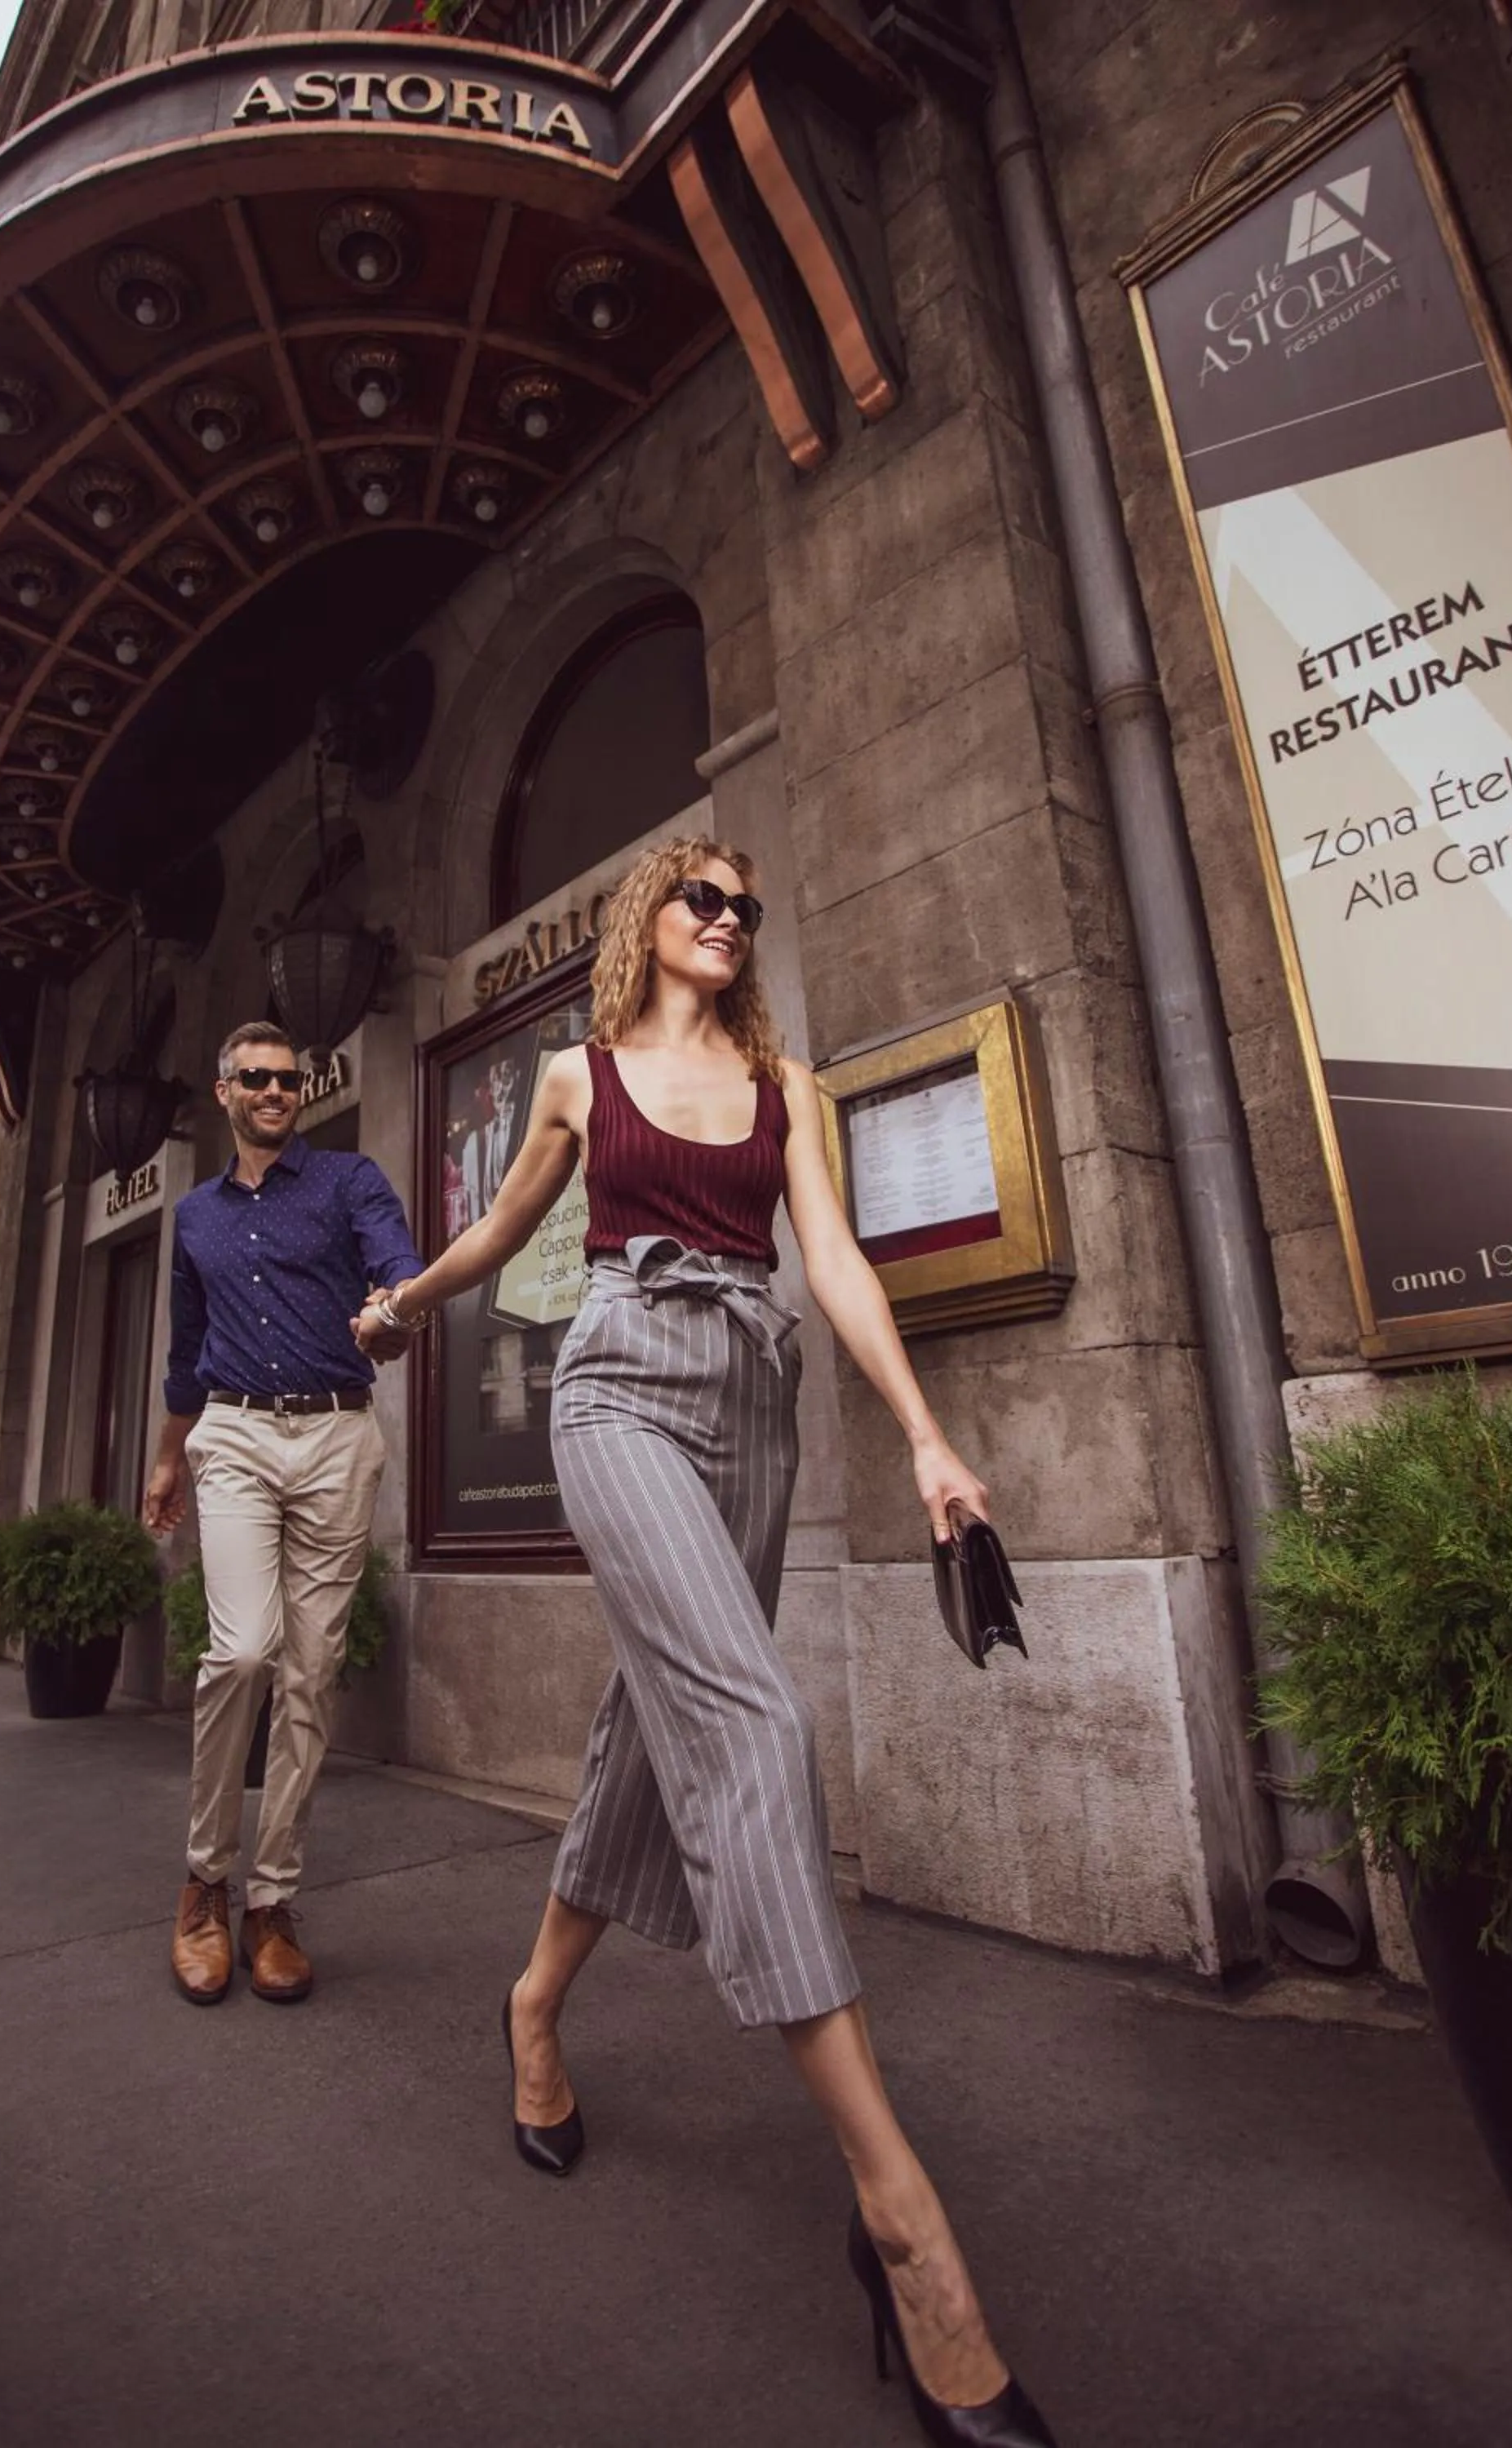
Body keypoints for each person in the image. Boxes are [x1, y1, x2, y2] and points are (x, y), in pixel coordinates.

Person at [353, 838, 1058, 2447]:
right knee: (752, 1727)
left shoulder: (783, 1086)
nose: (729, 918)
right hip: (617, 1391)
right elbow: (500, 1238)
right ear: (645, 923)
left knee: (647, 1735)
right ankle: (903, 2223)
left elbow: (835, 1263)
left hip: (756, 1403)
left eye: (748, 903)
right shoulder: (571, 1076)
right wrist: (402, 1310)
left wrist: (931, 1440)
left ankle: (533, 2005)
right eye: (702, 898)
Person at [144, 1021, 423, 2008]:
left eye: (287, 1080)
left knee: (309, 1675)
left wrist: (391, 1307)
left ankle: (270, 1903)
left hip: (337, 1439)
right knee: (243, 1653)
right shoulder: (196, 1217)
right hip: (235, 1437)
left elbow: (396, 1263)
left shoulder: (349, 1183)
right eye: (255, 1079)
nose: (274, 1092)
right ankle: (204, 1883)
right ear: (223, 1092)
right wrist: (169, 1455)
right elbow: (187, 1349)